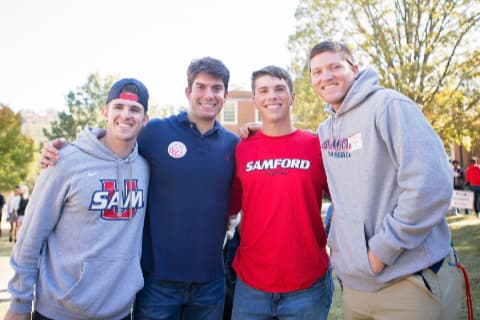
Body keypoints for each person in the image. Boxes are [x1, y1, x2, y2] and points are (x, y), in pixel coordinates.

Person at [40, 57, 239, 320]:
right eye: (201, 87)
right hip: (157, 284)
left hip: (210, 285)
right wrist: (64, 150)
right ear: (188, 92)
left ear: (225, 95)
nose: (209, 95)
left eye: (217, 88)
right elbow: (113, 137)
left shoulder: (233, 144)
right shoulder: (156, 132)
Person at [309, 40, 463, 319]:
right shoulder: (325, 129)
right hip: (356, 288)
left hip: (408, 282)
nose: (326, 77)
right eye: (317, 72)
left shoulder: (389, 106)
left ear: (354, 69)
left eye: (335, 67)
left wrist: (380, 252)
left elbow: (429, 186)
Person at [5, 78, 150, 320]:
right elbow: (30, 239)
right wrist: (20, 304)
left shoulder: (145, 166)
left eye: (134, 109)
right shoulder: (64, 162)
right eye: (118, 107)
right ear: (105, 112)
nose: (126, 115)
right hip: (60, 312)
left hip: (120, 313)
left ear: (145, 119)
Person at [229, 66, 333, 319]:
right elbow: (230, 208)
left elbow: (347, 201)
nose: (271, 96)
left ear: (292, 97)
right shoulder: (241, 149)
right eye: (263, 91)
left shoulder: (317, 147)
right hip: (251, 287)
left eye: (279, 89)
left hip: (307, 286)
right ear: (255, 100)